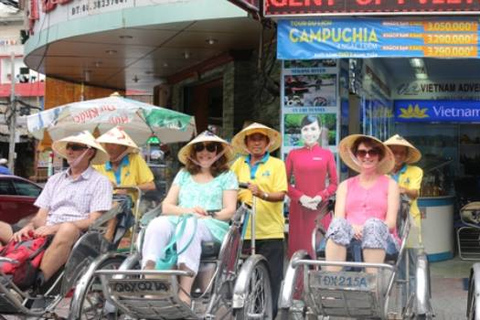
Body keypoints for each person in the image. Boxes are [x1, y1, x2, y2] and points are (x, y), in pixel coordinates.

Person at [0, 131, 113, 284]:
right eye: (68, 147)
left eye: (75, 147)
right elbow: (41, 216)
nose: (70, 151)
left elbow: (94, 221)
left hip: (74, 233)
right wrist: (29, 226)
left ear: (89, 152)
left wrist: (55, 228)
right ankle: (6, 271)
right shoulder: (55, 180)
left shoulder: (100, 181)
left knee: (67, 228)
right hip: (44, 230)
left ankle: (34, 282)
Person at [142, 131, 238, 305]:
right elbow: (167, 206)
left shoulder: (227, 176)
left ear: (218, 152)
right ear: (193, 152)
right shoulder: (184, 174)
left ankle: (184, 293)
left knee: (189, 227)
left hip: (212, 225)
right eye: (200, 147)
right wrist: (189, 212)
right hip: (182, 218)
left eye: (211, 147)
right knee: (156, 224)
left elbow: (230, 210)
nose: (205, 152)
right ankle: (151, 286)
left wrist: (208, 215)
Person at [230, 122, 287, 316]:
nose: (256, 143)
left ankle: (268, 314)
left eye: (260, 139)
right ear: (246, 143)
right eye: (252, 139)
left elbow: (281, 194)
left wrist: (261, 194)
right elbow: (229, 189)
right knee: (245, 278)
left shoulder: (277, 164)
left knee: (270, 279)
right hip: (244, 230)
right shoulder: (238, 164)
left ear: (267, 142)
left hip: (270, 231)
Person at [325, 134, 399, 273]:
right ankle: (332, 280)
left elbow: (391, 222)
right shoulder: (345, 185)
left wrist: (366, 228)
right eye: (361, 152)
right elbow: (339, 217)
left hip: (382, 235)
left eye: (372, 152)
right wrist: (354, 228)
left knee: (373, 225)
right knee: (338, 224)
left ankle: (373, 282)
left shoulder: (391, 185)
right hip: (348, 235)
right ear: (356, 156)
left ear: (379, 156)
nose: (367, 156)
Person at [286, 115, 338, 258]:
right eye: (306, 129)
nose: (309, 133)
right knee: (299, 249)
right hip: (299, 209)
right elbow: (284, 183)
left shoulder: (327, 155)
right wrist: (300, 197)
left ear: (320, 131)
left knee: (319, 249)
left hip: (320, 209)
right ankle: (298, 280)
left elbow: (334, 184)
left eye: (313, 128)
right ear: (301, 132)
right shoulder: (293, 154)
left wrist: (320, 196)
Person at [384, 134, 423, 301]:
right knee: (390, 262)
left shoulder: (416, 171)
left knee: (412, 263)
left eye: (401, 153)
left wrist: (399, 189)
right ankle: (388, 303)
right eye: (394, 152)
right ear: (388, 154)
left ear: (406, 156)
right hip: (387, 221)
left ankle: (412, 302)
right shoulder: (380, 171)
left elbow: (414, 193)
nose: (398, 156)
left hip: (410, 222)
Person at [94, 126, 155, 202]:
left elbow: (151, 185)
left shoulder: (135, 159)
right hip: (103, 208)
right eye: (107, 144)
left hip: (130, 210)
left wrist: (129, 189)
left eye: (113, 144)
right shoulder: (98, 161)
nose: (109, 148)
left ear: (124, 147)